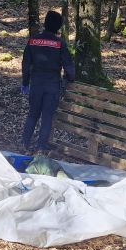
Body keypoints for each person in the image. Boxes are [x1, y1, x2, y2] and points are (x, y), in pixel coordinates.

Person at [21, 10, 74, 153]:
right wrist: (69, 79)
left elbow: (26, 64)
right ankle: (40, 147)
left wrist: (25, 83)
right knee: (47, 117)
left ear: (45, 23)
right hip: (52, 86)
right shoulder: (59, 44)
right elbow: (69, 66)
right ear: (58, 26)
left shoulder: (33, 41)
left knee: (33, 114)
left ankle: (24, 144)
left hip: (36, 84)